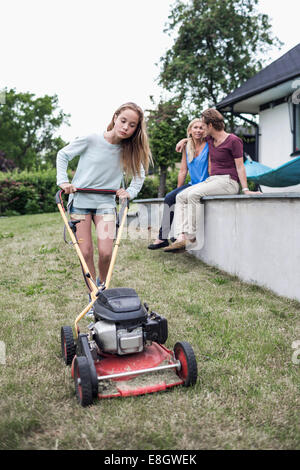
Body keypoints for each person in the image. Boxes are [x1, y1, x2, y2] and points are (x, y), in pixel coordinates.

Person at [56, 102, 152, 287]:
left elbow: (139, 175)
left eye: (132, 125)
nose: (126, 127)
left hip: (106, 205)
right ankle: (93, 294)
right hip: (80, 203)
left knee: (107, 253)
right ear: (115, 117)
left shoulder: (129, 149)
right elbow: (63, 155)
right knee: (85, 253)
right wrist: (63, 181)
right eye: (123, 121)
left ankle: (102, 286)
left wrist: (130, 192)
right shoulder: (92, 139)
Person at [164, 108, 262, 252]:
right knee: (181, 196)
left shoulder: (234, 141)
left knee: (193, 195)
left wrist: (246, 189)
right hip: (213, 180)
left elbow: (240, 167)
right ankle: (181, 236)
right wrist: (183, 140)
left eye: (203, 125)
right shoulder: (210, 139)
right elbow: (193, 137)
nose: (201, 129)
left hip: (228, 182)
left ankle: (191, 237)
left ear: (210, 126)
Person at [148, 118, 209, 250]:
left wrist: (184, 139)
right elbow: (183, 170)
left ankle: (181, 235)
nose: (198, 130)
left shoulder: (209, 144)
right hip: (193, 183)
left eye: (201, 128)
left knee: (184, 199)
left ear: (205, 131)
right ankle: (162, 237)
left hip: (206, 183)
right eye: (195, 127)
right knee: (170, 197)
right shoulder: (187, 147)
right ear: (190, 130)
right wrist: (179, 189)